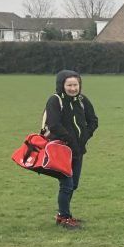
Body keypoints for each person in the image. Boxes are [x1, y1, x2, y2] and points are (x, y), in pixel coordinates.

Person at [42, 69, 98, 229]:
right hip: (61, 150)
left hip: (78, 150)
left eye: (76, 85)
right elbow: (54, 125)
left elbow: (93, 120)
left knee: (73, 184)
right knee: (66, 184)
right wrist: (70, 139)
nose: (73, 88)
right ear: (62, 85)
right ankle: (64, 218)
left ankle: (63, 214)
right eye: (69, 85)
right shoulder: (55, 100)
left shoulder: (82, 100)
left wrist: (85, 135)